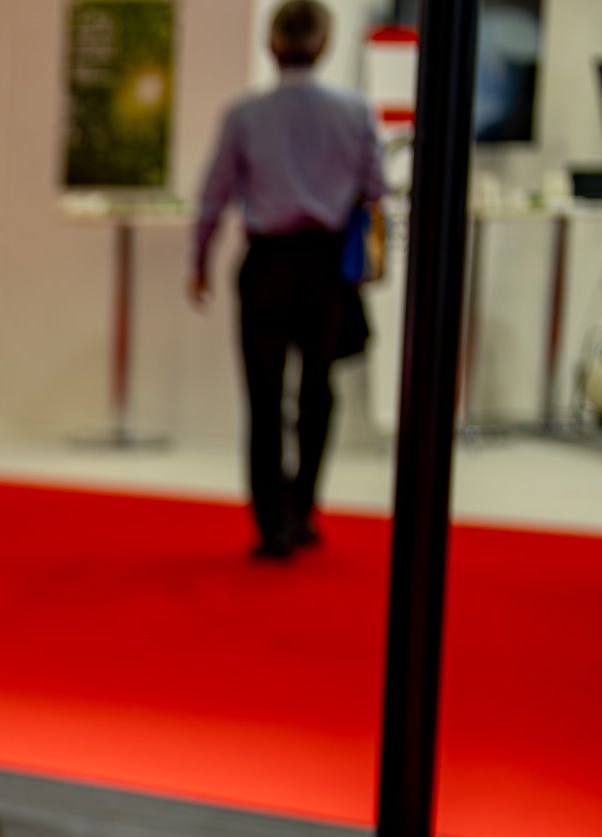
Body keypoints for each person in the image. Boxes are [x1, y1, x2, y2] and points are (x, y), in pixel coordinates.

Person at [191, 0, 385, 559]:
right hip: (326, 265)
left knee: (264, 395)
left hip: (268, 263)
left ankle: (272, 523)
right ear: (323, 45)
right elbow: (375, 193)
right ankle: (303, 507)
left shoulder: (245, 115)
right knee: (318, 388)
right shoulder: (354, 112)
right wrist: (369, 265)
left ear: (272, 44)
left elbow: (213, 196)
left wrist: (199, 260)